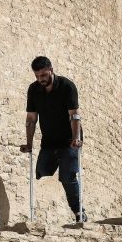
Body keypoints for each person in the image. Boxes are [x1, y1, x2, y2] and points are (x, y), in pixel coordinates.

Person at [20, 56, 87, 223]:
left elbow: (75, 115)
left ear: (51, 69)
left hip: (69, 139)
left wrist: (76, 138)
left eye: (43, 75)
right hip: (49, 140)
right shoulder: (34, 89)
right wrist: (29, 143)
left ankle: (79, 212)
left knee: (67, 176)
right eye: (37, 76)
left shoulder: (66, 86)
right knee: (41, 171)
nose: (40, 79)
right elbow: (31, 119)